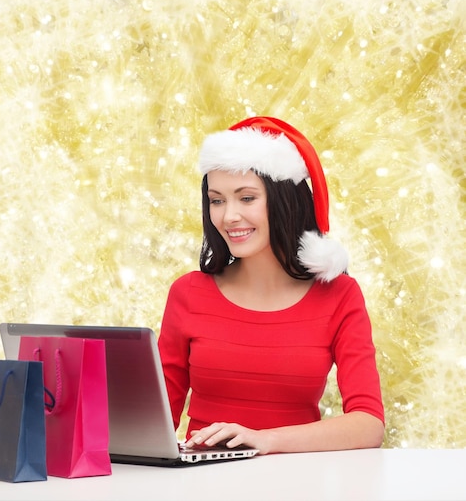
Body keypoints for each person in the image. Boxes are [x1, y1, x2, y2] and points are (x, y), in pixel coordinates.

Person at [158, 116, 385, 455]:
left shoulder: (339, 295)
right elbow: (155, 419)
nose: (228, 216)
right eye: (217, 200)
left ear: (284, 201)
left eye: (246, 198)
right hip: (202, 483)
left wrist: (265, 440)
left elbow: (368, 423)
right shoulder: (188, 293)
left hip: (295, 481)